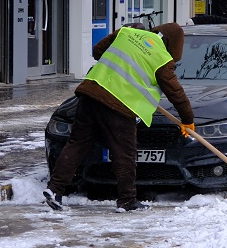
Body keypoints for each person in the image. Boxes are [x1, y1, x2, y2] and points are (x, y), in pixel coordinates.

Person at [44, 23, 195, 213]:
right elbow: (176, 93)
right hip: (118, 106)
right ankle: (127, 200)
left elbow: (98, 51)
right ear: (174, 45)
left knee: (77, 143)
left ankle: (55, 189)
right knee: (124, 153)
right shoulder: (162, 59)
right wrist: (187, 119)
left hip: (90, 93)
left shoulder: (127, 32)